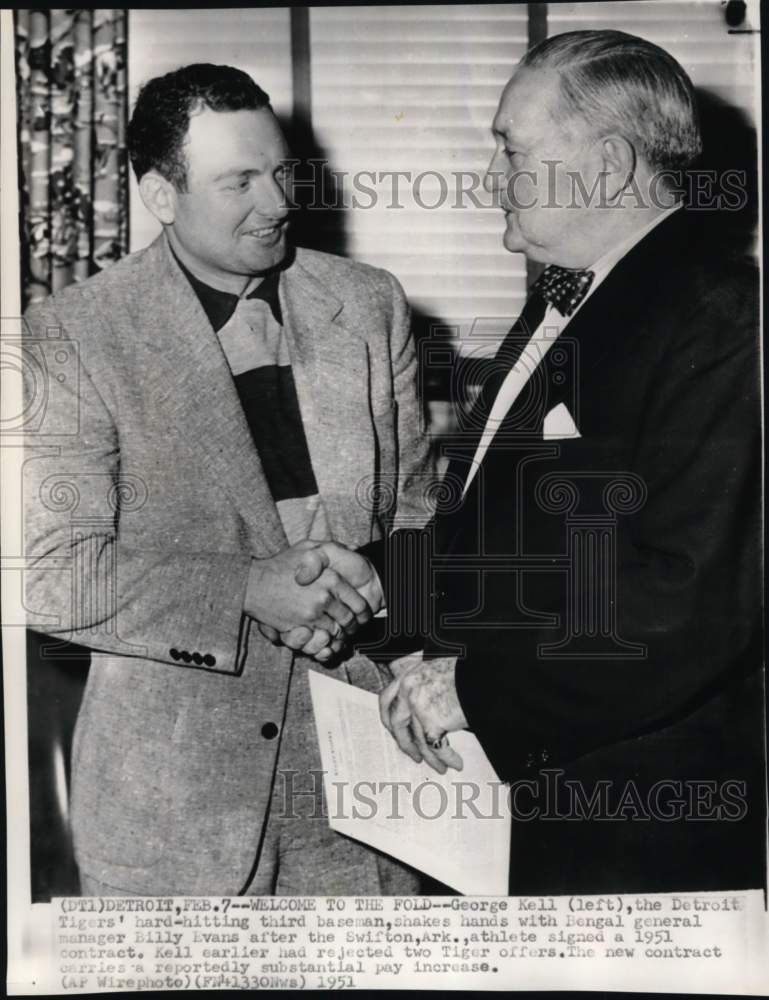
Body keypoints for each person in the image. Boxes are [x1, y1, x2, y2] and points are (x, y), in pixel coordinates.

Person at [292, 30, 764, 894]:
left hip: (627, 834)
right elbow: (509, 534)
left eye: (510, 148)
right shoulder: (568, 294)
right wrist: (377, 579)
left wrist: (474, 691)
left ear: (609, 164)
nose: (488, 178)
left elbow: (683, 601)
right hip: (510, 818)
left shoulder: (723, 321)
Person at [22, 63, 432, 896]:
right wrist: (247, 589)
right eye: (238, 181)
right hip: (174, 810)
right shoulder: (74, 333)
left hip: (368, 798)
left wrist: (373, 594)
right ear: (160, 195)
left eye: (281, 170)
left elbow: (422, 508)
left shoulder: (369, 302)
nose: (278, 200)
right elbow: (53, 576)